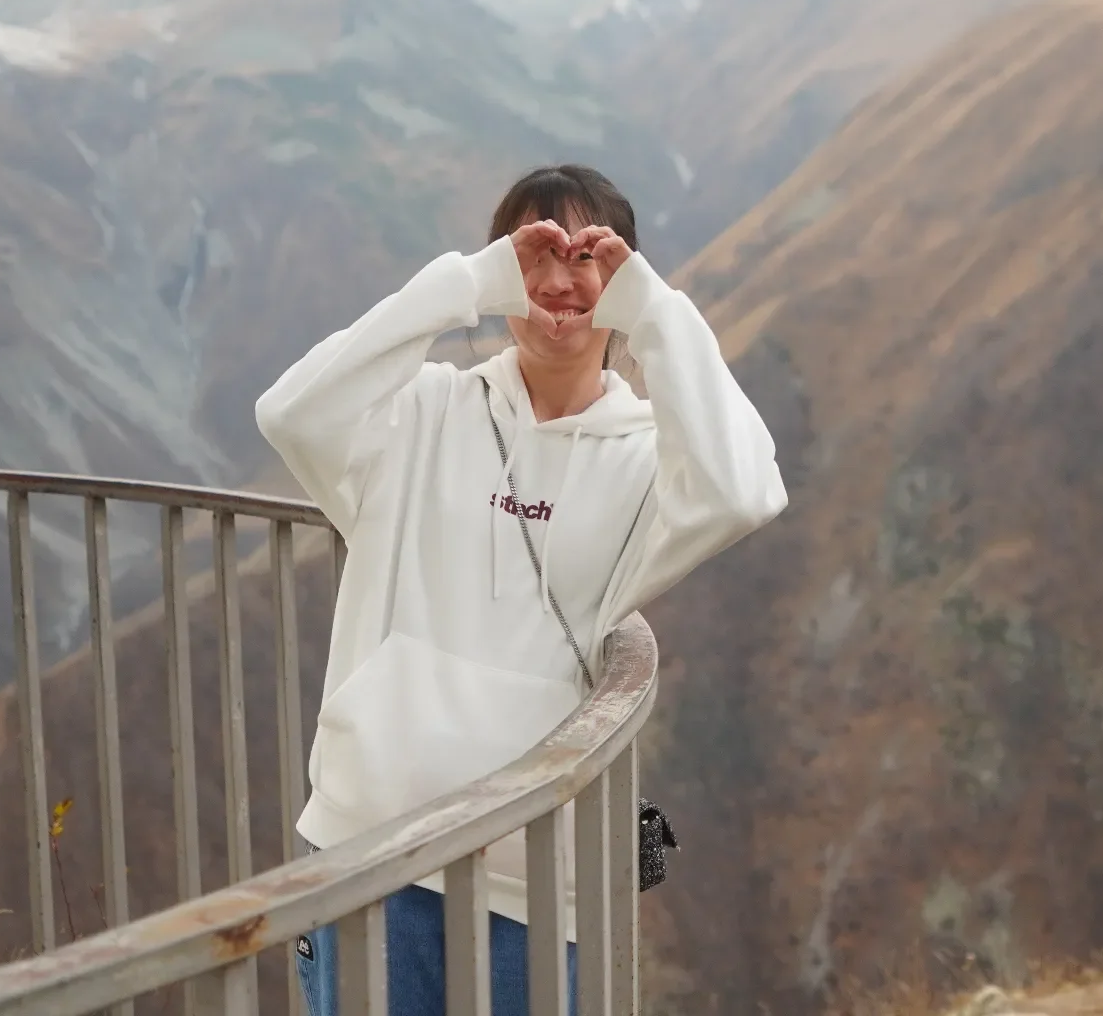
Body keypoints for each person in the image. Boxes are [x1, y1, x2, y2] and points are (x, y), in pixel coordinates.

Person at [256, 164, 788, 1015]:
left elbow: (744, 491)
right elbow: (291, 414)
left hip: (534, 880)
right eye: (533, 253)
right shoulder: (422, 415)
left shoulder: (647, 456)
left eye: (589, 257)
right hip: (368, 848)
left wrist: (653, 312)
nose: (558, 280)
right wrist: (466, 280)